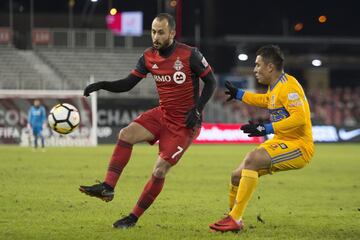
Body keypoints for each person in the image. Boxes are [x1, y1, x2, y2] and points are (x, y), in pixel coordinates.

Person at [79, 13, 216, 229]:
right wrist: (101, 85)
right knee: (126, 134)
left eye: (161, 32)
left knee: (159, 170)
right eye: (153, 31)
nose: (156, 36)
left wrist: (197, 110)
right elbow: (128, 83)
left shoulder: (190, 55)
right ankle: (107, 186)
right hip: (163, 114)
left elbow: (211, 82)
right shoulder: (148, 57)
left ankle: (132, 218)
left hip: (185, 124)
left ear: (172, 32)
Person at [209, 45, 314, 232]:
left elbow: (299, 119)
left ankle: (235, 218)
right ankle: (234, 220)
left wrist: (266, 128)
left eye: (258, 65)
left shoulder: (288, 87)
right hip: (281, 140)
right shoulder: (276, 87)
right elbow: (266, 101)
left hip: (299, 147)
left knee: (252, 159)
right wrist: (240, 95)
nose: (255, 70)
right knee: (236, 176)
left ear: (270, 67)